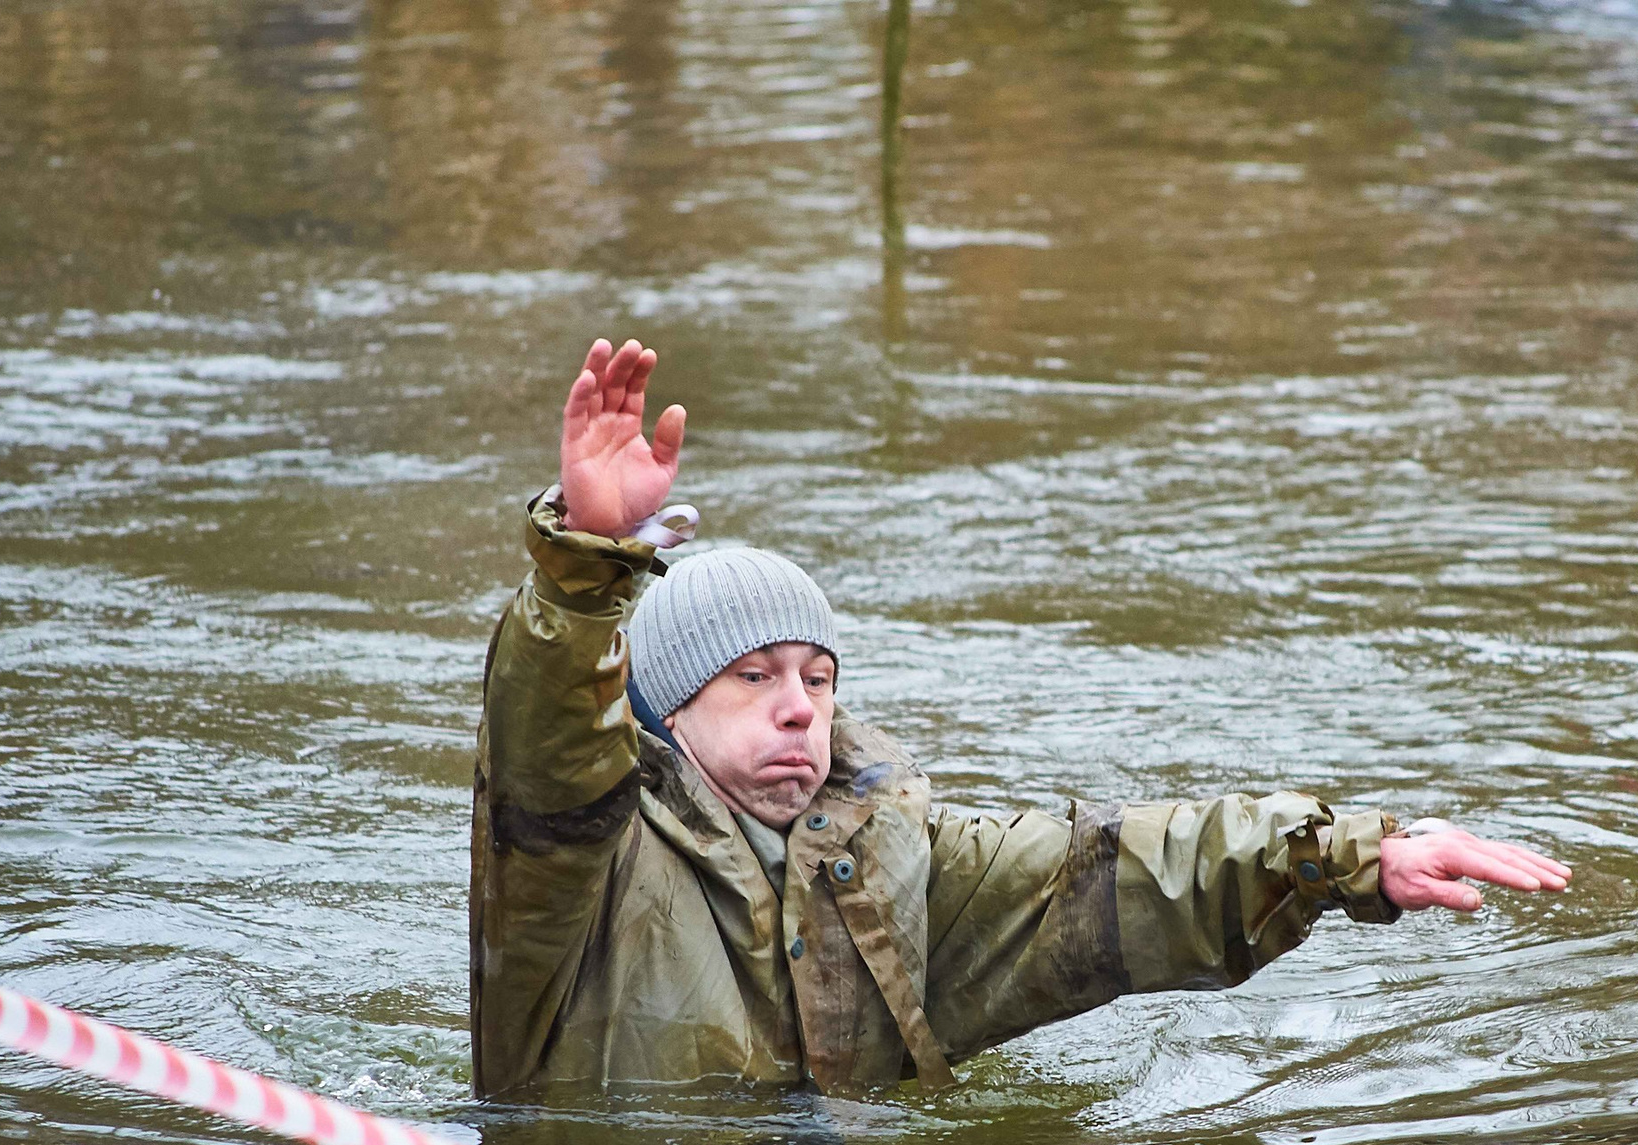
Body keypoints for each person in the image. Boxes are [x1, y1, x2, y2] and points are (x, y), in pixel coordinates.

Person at [470, 338, 1572, 1097]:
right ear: (666, 712)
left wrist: (1345, 855)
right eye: (753, 677)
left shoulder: (889, 851)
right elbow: (549, 741)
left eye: (816, 675)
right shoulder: (580, 856)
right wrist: (580, 571)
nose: (799, 708)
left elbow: (1111, 874)